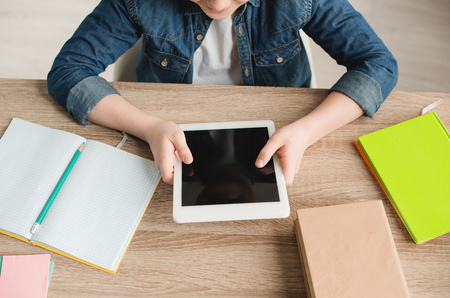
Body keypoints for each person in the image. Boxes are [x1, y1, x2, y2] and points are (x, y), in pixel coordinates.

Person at [47, 0, 398, 186]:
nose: (217, 3)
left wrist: (308, 131)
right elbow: (69, 70)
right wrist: (147, 127)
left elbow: (377, 64)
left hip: (280, 121)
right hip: (169, 119)